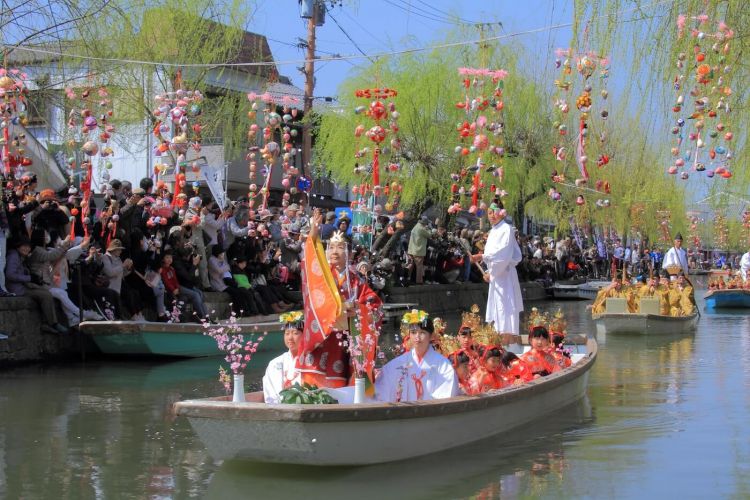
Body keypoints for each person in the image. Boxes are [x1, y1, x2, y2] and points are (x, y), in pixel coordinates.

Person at [295, 210, 383, 389]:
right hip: (322, 334)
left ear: (349, 254)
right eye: (331, 247)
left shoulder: (356, 280)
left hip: (344, 337)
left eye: (340, 247)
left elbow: (374, 304)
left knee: (344, 382)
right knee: (313, 385)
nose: (334, 252)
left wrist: (357, 309)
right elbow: (310, 257)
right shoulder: (321, 276)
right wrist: (313, 233)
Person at [375, 310, 459, 402]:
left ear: (431, 336)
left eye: (422, 333)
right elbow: (381, 392)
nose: (417, 337)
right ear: (409, 335)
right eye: (413, 332)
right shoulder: (396, 364)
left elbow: (447, 395)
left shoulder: (443, 366)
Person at [472, 202, 523, 334]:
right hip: (497, 274)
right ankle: (499, 337)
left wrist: (482, 257)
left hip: (504, 274)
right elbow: (493, 255)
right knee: (498, 308)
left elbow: (503, 254)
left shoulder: (507, 229)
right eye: (489, 213)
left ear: (501, 213)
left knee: (506, 308)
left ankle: (508, 339)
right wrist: (488, 271)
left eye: (494, 212)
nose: (492, 215)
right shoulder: (493, 231)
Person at [5, 236, 70, 334]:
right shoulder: (13, 256)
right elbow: (10, 275)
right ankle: (52, 323)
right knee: (45, 295)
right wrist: (29, 278)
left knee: (45, 292)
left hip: (22, 286)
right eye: (24, 246)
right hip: (17, 289)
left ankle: (46, 322)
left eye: (28, 246)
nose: (27, 248)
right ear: (17, 246)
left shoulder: (20, 256)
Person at [263, 311, 303, 403]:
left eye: (295, 333)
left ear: (304, 335)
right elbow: (269, 391)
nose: (290, 338)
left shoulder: (309, 363)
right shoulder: (275, 363)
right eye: (287, 333)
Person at [407, 216, 431, 285]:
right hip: (418, 251)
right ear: (424, 222)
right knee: (419, 266)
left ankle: (407, 278)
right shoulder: (421, 229)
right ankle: (419, 281)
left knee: (410, 265)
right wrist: (429, 228)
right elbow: (429, 235)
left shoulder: (415, 227)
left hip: (411, 250)